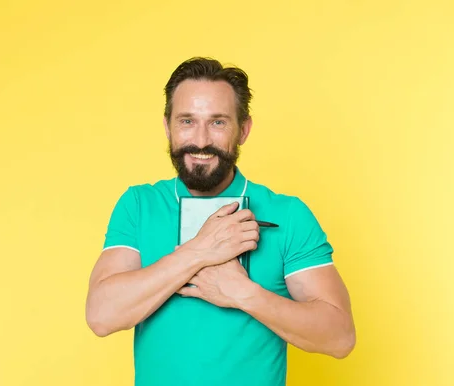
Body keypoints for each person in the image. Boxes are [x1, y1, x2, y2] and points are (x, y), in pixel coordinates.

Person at [85, 57, 356, 386]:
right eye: (187, 121)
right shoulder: (140, 205)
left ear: (243, 130)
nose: (200, 140)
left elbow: (339, 338)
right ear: (167, 126)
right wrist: (199, 251)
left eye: (218, 123)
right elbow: (101, 316)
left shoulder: (288, 214)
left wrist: (244, 294)